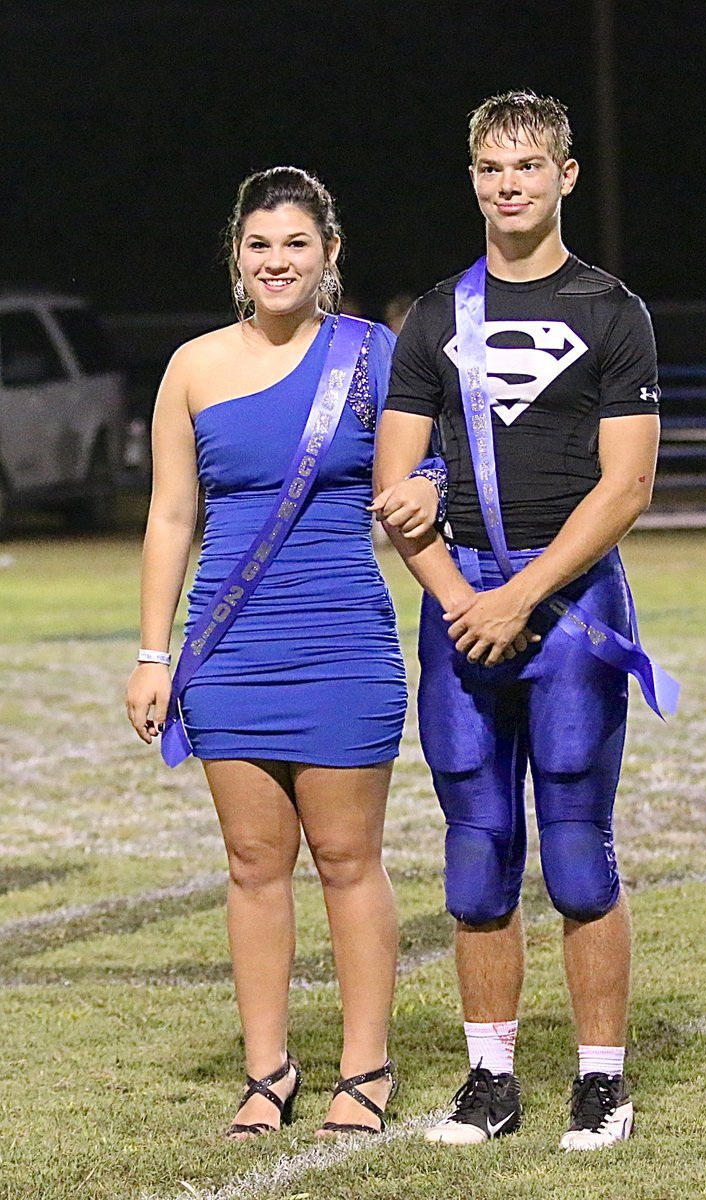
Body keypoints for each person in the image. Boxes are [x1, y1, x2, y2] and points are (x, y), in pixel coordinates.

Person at [373, 90, 671, 1150]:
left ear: (564, 178)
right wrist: (462, 600)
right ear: (473, 181)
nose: (509, 185)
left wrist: (519, 595)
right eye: (492, 169)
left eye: (528, 167)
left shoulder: (610, 311)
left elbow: (624, 487)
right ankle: (488, 1080)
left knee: (578, 855)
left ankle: (599, 1080)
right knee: (476, 848)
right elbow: (393, 486)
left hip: (570, 609)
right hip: (463, 610)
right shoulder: (430, 322)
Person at [125, 166, 438, 1140]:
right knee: (253, 864)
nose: (276, 261)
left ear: (328, 254)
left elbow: (431, 459)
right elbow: (171, 516)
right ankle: (266, 1073)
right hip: (228, 650)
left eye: (295, 243)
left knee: (348, 859)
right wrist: (151, 653)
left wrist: (428, 480)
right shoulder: (192, 367)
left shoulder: (371, 355)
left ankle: (365, 1068)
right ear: (236, 258)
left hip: (342, 638)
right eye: (259, 245)